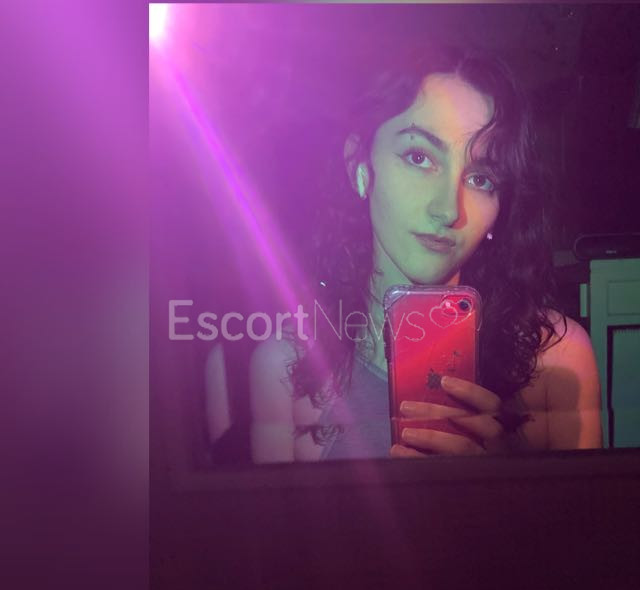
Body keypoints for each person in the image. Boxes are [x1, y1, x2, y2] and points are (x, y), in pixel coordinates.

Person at [249, 44, 602, 463]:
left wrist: (502, 480)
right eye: (418, 157)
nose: (448, 209)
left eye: (482, 178)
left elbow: (590, 509)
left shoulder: (558, 360)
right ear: (360, 167)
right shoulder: (286, 367)